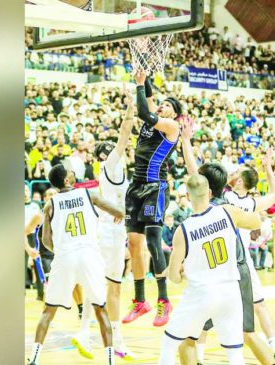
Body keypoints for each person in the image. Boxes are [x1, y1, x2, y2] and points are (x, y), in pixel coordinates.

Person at [178, 119, 275, 364]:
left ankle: (272, 346)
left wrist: (185, 141)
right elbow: (262, 213)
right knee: (249, 324)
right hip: (238, 264)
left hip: (223, 267)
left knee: (197, 330)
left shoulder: (218, 203)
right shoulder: (239, 204)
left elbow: (194, 172)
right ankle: (273, 350)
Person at [157, 174, 262, 365]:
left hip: (201, 294)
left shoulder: (183, 230)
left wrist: (182, 271)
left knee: (169, 343)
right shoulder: (228, 212)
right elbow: (256, 221)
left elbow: (173, 277)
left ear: (188, 196)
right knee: (235, 354)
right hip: (230, 292)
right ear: (210, 193)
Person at [27, 164, 124, 365]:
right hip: (89, 256)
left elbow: (46, 240)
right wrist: (119, 213)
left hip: (64, 257)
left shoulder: (50, 204)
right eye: (70, 171)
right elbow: (120, 211)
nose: (73, 172)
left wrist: (62, 250)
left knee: (48, 310)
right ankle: (110, 361)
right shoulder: (89, 195)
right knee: (100, 308)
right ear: (67, 180)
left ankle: (34, 359)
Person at [73, 85, 136, 361]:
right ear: (106, 154)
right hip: (108, 232)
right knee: (110, 287)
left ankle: (98, 335)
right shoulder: (111, 163)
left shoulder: (115, 171)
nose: (122, 149)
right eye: (114, 149)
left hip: (112, 230)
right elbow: (124, 134)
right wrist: (131, 106)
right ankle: (92, 333)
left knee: (106, 286)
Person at [123, 69, 182, 327]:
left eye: (168, 105)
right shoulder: (153, 120)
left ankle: (164, 300)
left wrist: (138, 85)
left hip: (155, 187)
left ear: (175, 113)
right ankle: (140, 301)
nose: (163, 106)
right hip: (135, 186)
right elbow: (148, 98)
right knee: (134, 244)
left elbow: (145, 111)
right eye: (163, 103)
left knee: (153, 242)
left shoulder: (171, 126)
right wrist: (142, 72)